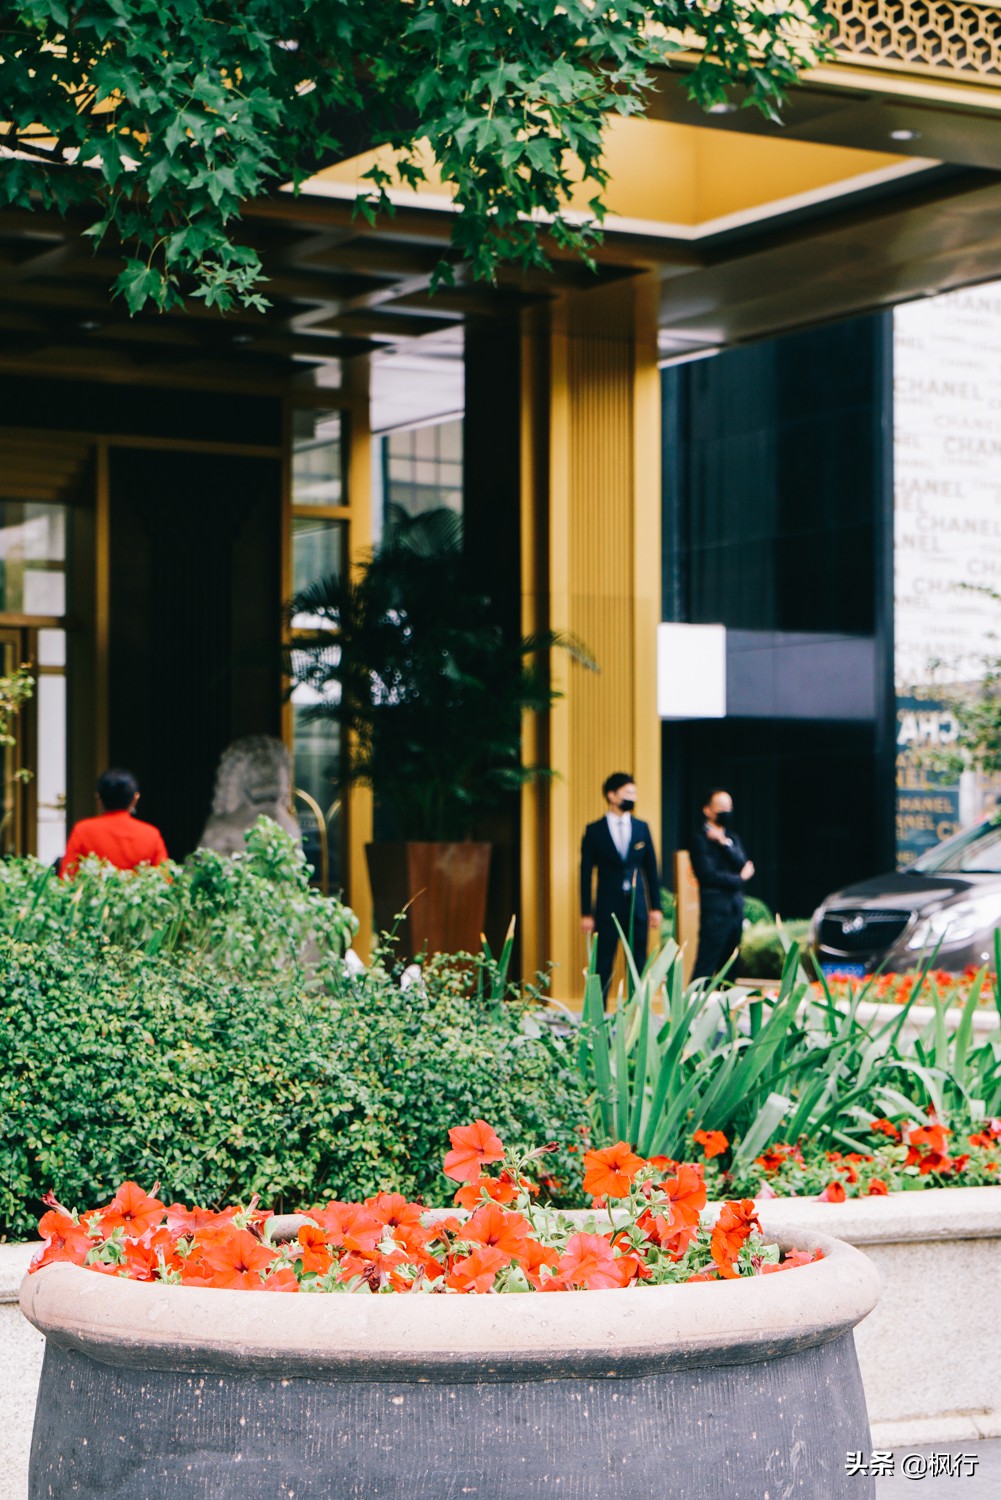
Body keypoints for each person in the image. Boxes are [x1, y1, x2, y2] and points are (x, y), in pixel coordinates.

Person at [580, 772, 663, 1000]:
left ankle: (636, 1014)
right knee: (604, 960)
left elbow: (651, 870)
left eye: (634, 793)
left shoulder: (642, 828)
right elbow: (585, 874)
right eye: (627, 793)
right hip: (607, 905)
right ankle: (599, 1015)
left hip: (637, 906)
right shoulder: (594, 831)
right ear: (612, 795)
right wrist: (586, 912)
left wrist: (655, 907)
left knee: (638, 960)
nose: (632, 797)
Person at [689, 787, 754, 980]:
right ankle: (695, 1007)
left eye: (729, 807)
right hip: (714, 913)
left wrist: (724, 843)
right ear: (707, 810)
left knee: (731, 967)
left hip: (735, 910)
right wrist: (739, 879)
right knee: (706, 965)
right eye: (721, 807)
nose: (726, 811)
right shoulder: (699, 839)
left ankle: (728, 1008)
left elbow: (744, 864)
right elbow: (708, 875)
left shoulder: (732, 838)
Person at [60, 768, 168, 878]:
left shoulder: (82, 830)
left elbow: (68, 876)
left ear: (99, 798)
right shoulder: (151, 834)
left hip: (94, 895)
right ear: (134, 799)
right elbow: (165, 879)